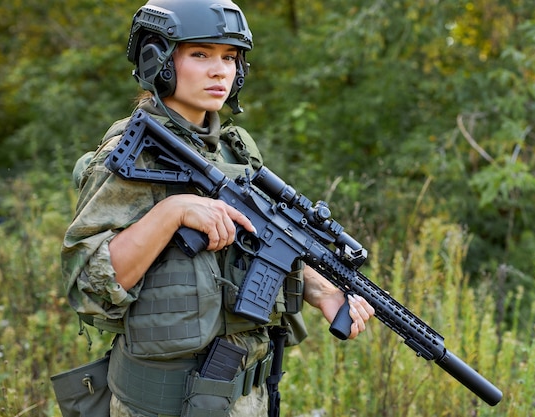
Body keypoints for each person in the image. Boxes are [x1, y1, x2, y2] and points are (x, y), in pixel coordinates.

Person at [61, 0, 375, 416]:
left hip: (247, 396)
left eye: (229, 57)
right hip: (160, 403)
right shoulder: (131, 153)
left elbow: (266, 236)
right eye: (200, 54)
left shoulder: (235, 148)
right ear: (159, 60)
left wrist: (322, 291)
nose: (220, 70)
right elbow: (88, 285)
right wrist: (172, 211)